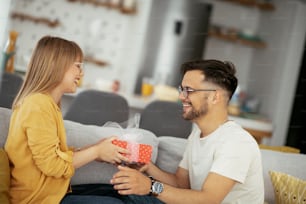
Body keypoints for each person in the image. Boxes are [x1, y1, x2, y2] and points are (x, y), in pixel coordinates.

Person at [111, 59, 264, 204]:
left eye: (188, 90)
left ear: (214, 96)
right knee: (114, 192)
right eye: (182, 90)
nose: (181, 96)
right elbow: (180, 183)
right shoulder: (197, 134)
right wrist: (148, 166)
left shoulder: (236, 142)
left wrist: (151, 186)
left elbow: (208, 200)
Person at [4, 36, 130, 204]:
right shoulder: (37, 105)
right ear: (57, 65)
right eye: (78, 66)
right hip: (36, 200)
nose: (82, 73)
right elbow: (53, 165)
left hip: (52, 196)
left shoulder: (47, 104)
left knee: (116, 194)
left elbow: (54, 154)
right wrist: (96, 151)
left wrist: (96, 149)